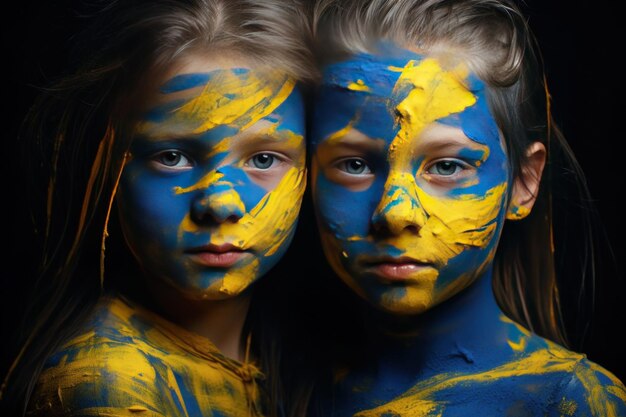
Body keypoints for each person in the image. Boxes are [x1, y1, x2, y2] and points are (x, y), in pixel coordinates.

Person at [308, 0, 626, 415]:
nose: (394, 213)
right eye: (354, 164)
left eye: (446, 166)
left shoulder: (572, 403)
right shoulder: (271, 386)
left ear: (523, 183)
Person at [0, 0, 316, 415]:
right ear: (109, 167)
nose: (220, 203)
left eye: (263, 159)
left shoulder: (300, 353)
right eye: (172, 157)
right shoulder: (108, 389)